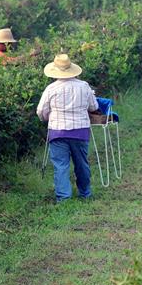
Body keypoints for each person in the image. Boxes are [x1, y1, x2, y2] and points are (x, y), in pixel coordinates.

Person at [36, 54, 99, 202]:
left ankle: (64, 197)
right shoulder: (84, 86)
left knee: (61, 165)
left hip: (57, 131)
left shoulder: (51, 89)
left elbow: (41, 111)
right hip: (80, 131)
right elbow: (94, 106)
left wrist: (47, 118)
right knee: (81, 163)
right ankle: (85, 193)